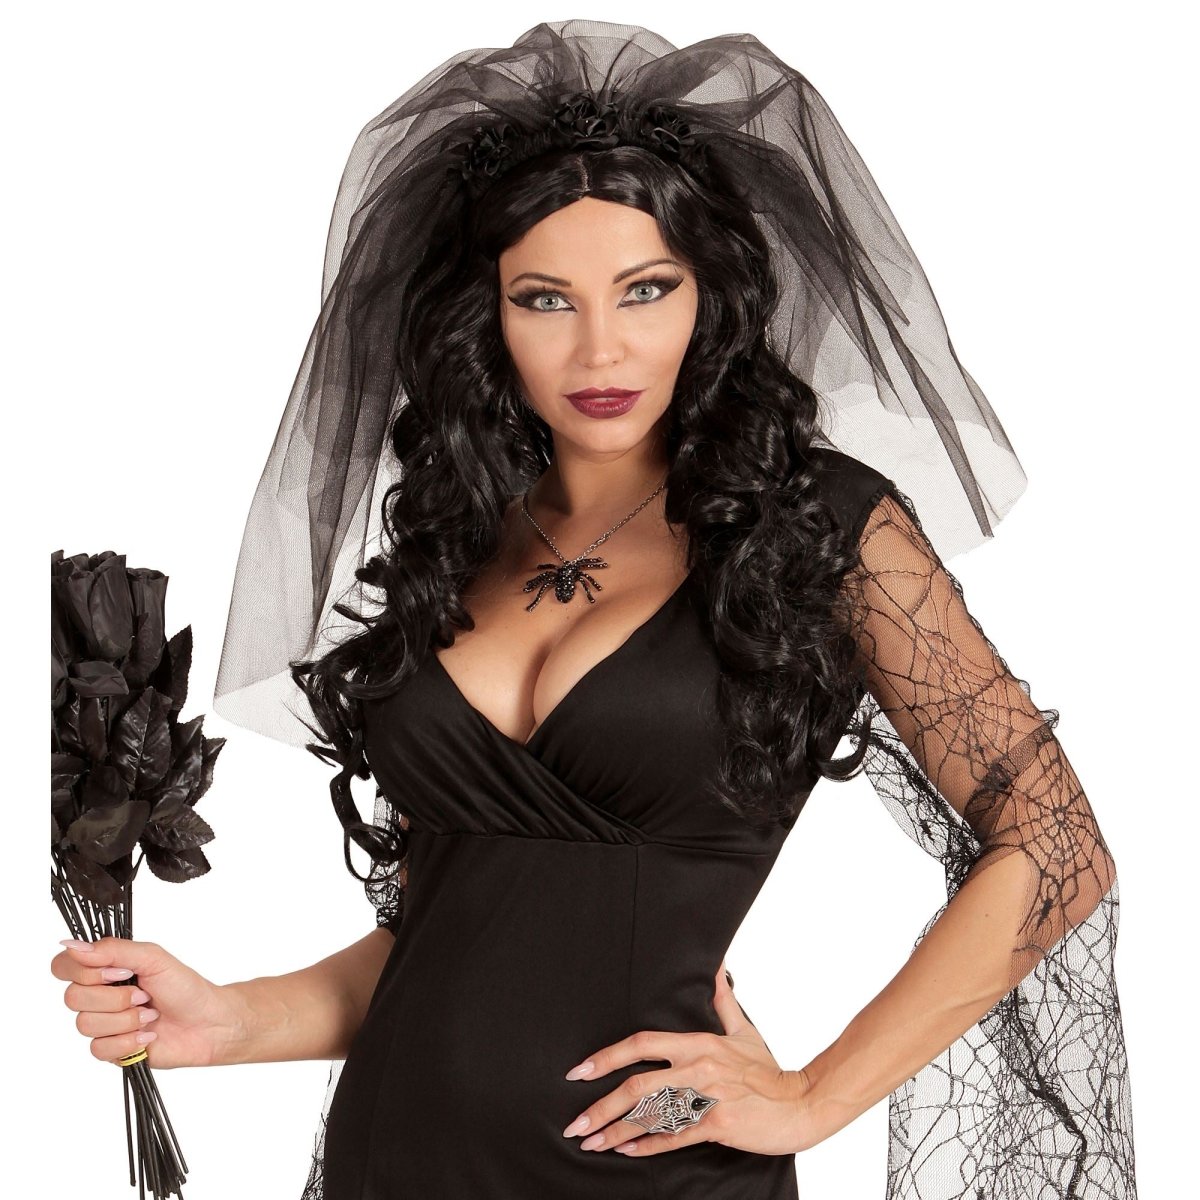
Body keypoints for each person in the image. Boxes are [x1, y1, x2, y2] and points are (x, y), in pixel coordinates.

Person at [50, 19, 1137, 1199]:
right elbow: (461, 932)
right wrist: (232, 1018)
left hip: (655, 1174)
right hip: (395, 1164)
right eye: (545, 300)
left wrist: (814, 1094)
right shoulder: (454, 539)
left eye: (645, 290)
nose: (601, 349)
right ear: (487, 318)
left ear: (709, 298)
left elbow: (1058, 840)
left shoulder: (816, 529)